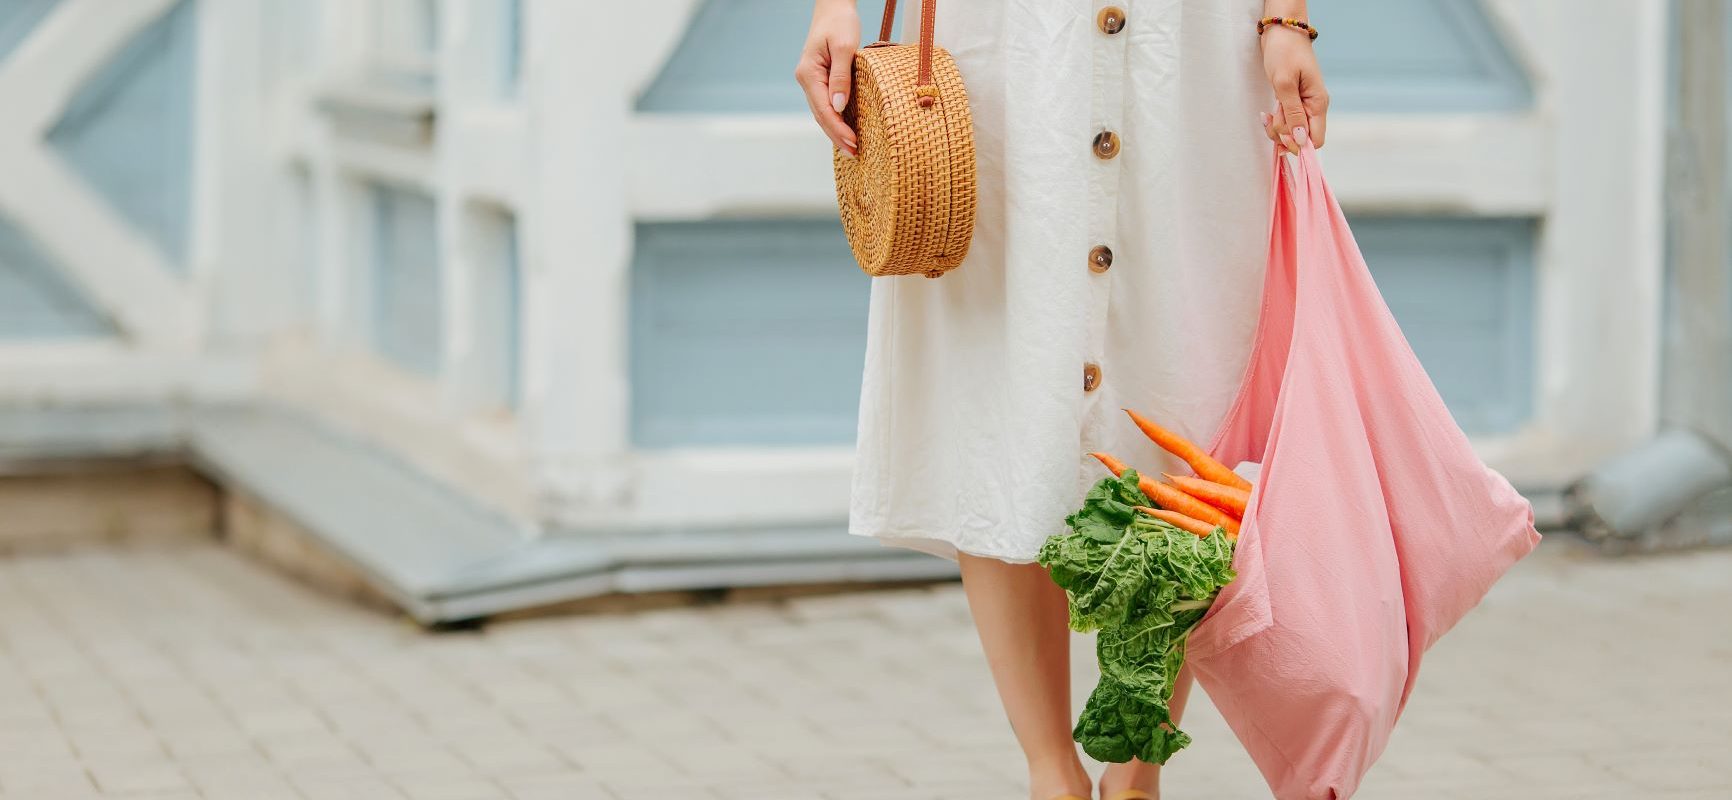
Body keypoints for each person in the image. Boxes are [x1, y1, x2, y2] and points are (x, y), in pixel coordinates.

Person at [797, 1, 1329, 798]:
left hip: (1188, 52)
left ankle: (1135, 777)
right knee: (1000, 394)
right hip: (1009, 50)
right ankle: (1053, 777)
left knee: (1182, 392)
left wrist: (1286, 18)